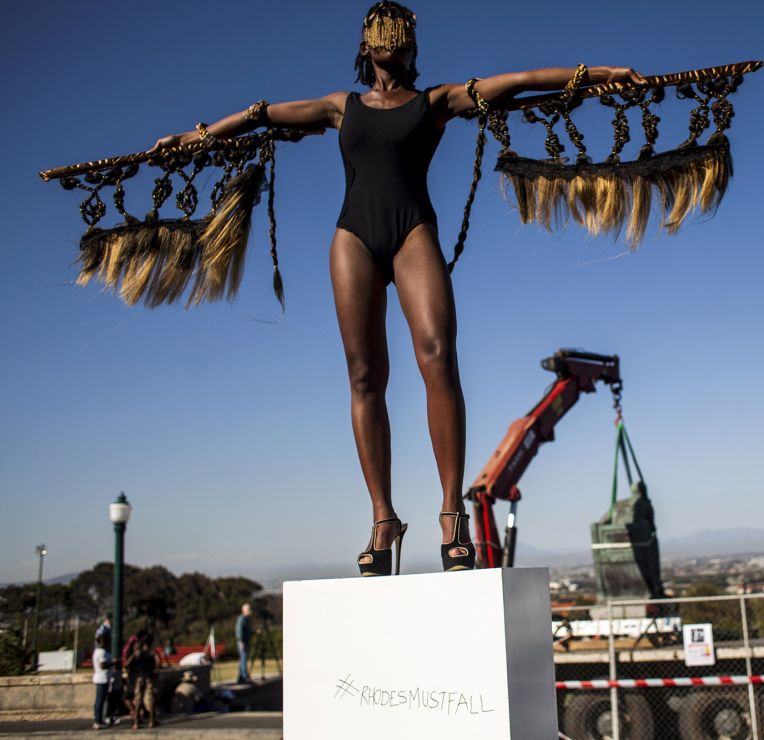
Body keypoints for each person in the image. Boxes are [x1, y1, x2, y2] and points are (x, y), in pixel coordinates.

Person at [149, 1, 644, 577]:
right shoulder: (342, 106)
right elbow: (262, 115)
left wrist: (595, 74)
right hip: (352, 239)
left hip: (412, 233)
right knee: (364, 375)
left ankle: (452, 513)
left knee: (438, 357)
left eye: (398, 34)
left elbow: (518, 83)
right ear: (364, 47)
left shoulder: (434, 101)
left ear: (410, 46)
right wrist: (198, 135)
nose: (387, 42)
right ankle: (384, 519)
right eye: (377, 34)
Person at [130, 635, 158, 730]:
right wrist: (155, 670)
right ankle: (151, 721)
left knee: (138, 700)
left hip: (140, 676)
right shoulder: (152, 653)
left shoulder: (138, 652)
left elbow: (127, 663)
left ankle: (136, 723)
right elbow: (158, 662)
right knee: (150, 699)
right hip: (149, 676)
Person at [91, 633, 111, 730]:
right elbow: (102, 665)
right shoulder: (101, 652)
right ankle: (98, 721)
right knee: (100, 700)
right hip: (102, 678)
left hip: (101, 678)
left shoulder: (97, 651)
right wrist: (112, 663)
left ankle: (99, 719)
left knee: (100, 700)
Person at [235, 603, 253, 684]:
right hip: (242, 642)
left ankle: (242, 676)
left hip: (246, 641)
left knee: (244, 660)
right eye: (248, 609)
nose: (250, 611)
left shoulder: (246, 619)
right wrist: (241, 642)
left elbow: (247, 631)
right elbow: (239, 631)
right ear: (244, 610)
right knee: (243, 659)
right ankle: (244, 677)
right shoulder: (241, 619)